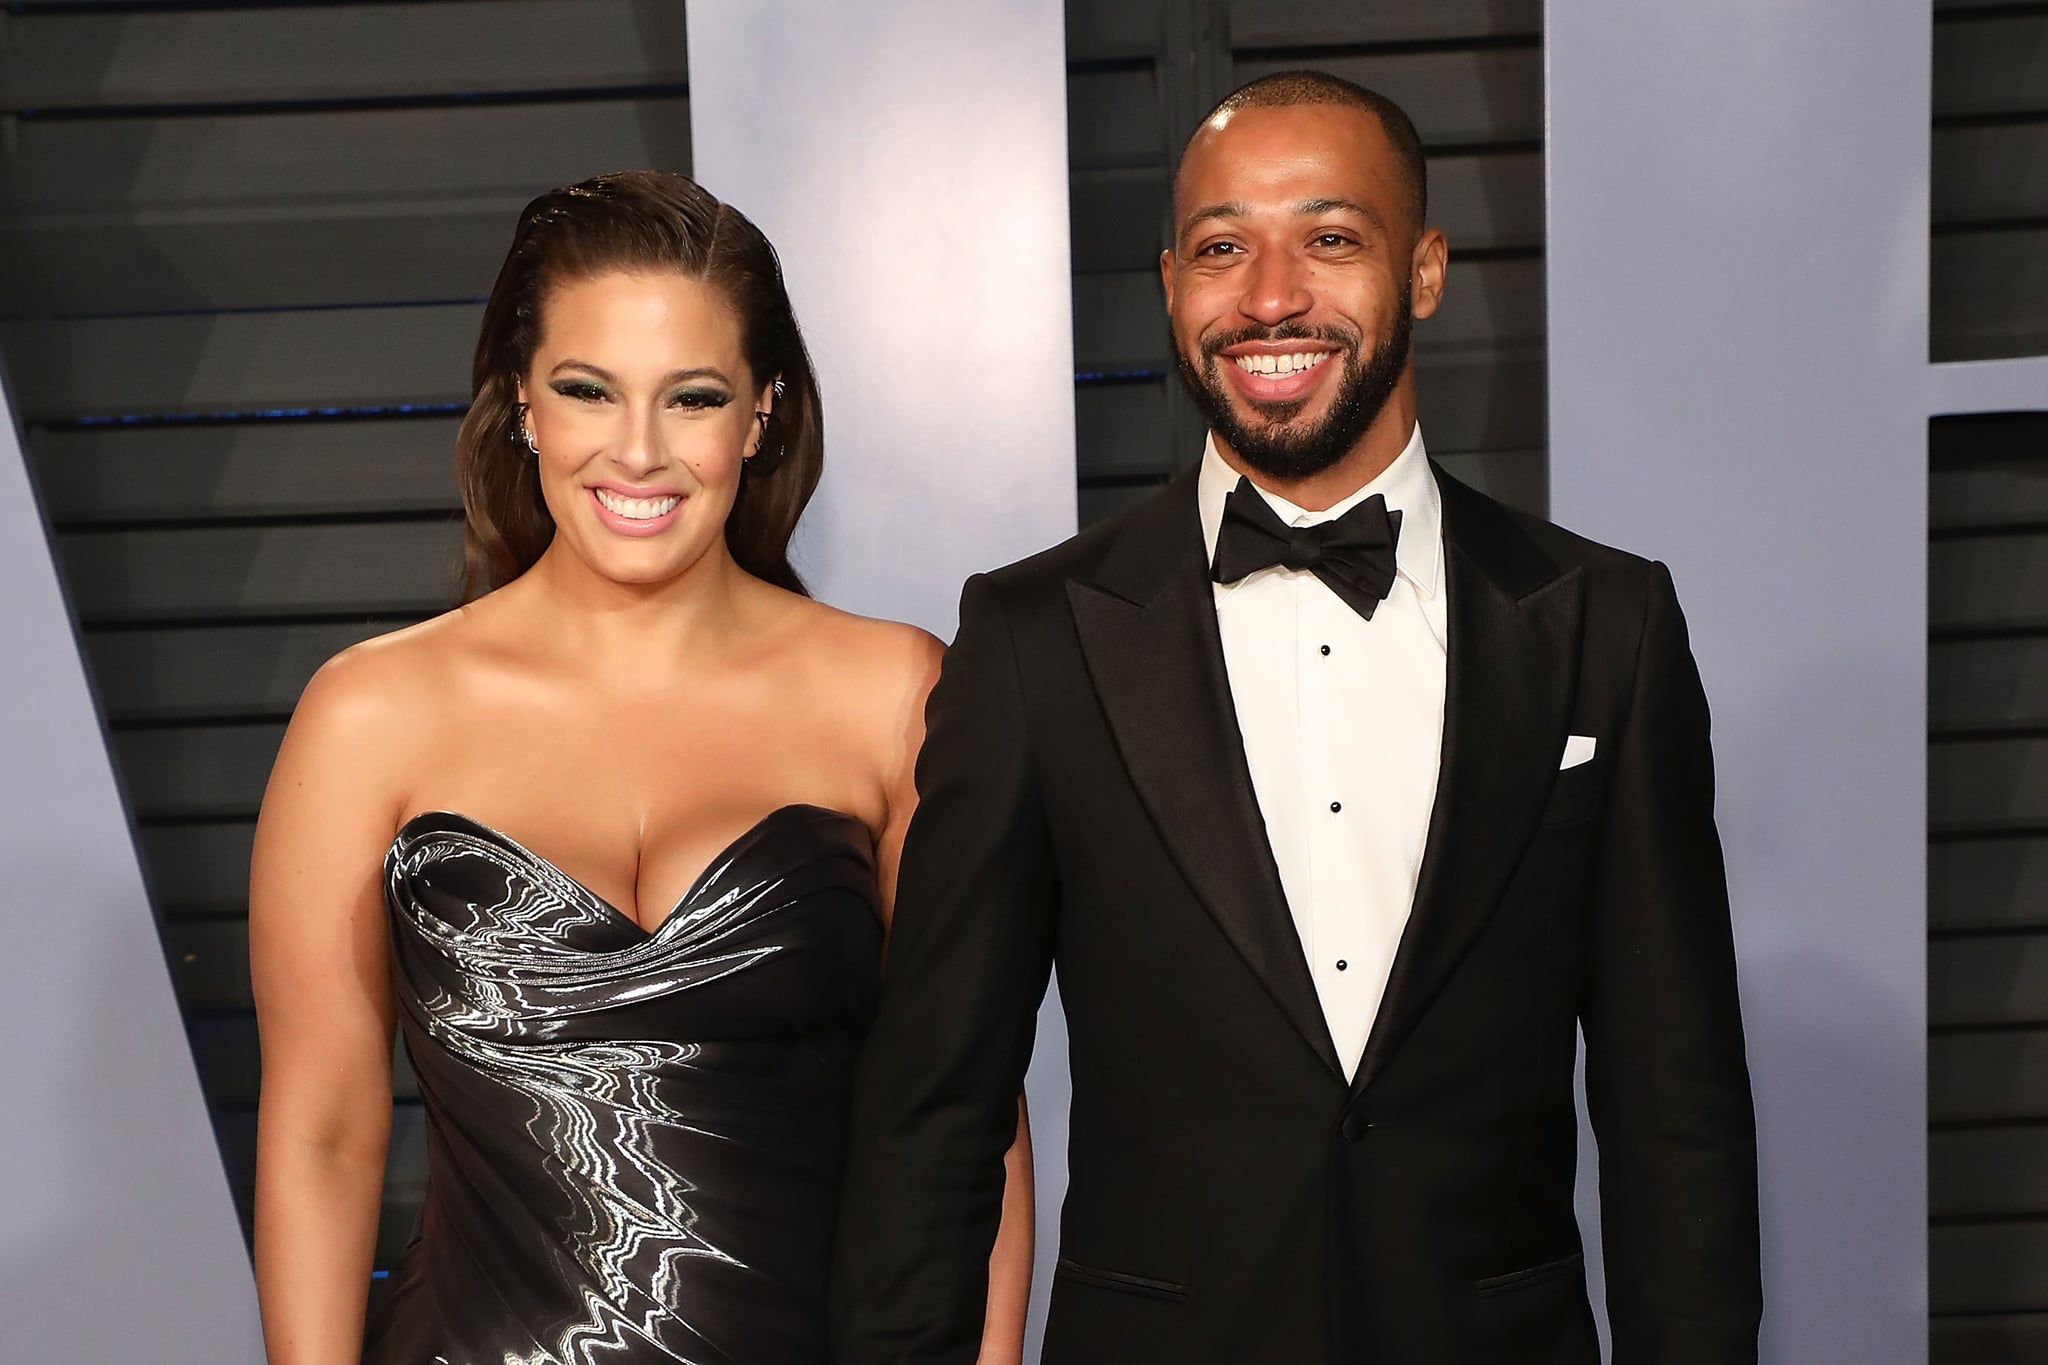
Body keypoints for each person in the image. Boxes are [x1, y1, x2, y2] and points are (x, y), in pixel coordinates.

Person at [832, 71, 1762, 1364]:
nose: (1270, 296)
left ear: (1425, 269)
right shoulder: (1036, 639)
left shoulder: (1607, 626)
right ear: (1170, 286)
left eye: (1331, 239)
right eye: (1224, 249)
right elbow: (934, 1114)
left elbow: (1679, 1120)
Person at [248, 170, 1032, 1365]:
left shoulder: (894, 696)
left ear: (761, 413)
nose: (638, 451)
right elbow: (323, 1134)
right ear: (521, 402)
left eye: (694, 397)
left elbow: (969, 1126)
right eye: (587, 390)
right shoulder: (371, 714)